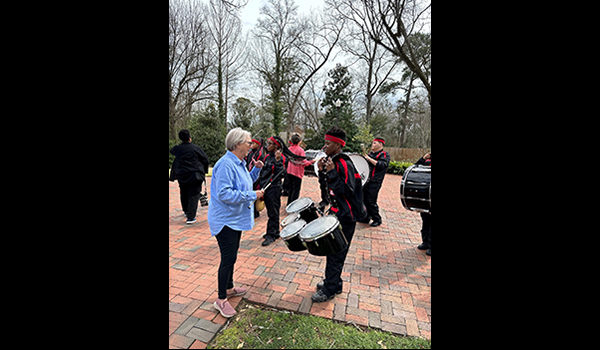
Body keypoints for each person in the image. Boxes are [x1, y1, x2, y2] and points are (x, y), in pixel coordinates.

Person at [208, 127, 265, 318]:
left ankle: (230, 288)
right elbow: (224, 194)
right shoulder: (225, 164)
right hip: (226, 221)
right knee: (228, 258)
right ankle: (221, 299)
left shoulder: (239, 162)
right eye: (249, 142)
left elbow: (246, 182)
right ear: (238, 143)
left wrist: (255, 170)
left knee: (232, 256)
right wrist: (253, 195)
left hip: (235, 219)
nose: (251, 146)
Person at [313, 126, 367, 302]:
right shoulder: (331, 161)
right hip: (337, 212)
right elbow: (328, 192)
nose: (324, 146)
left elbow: (347, 191)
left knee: (337, 252)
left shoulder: (344, 163)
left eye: (328, 143)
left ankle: (330, 289)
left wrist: (332, 173)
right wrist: (323, 173)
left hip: (347, 215)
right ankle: (334, 283)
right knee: (334, 250)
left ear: (338, 144)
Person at [169, 129, 210, 224]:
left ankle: (186, 211)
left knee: (183, 192)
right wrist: (204, 171)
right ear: (190, 138)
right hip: (195, 174)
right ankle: (191, 217)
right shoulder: (196, 148)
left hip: (182, 174)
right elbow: (205, 159)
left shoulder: (177, 149)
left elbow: (172, 151)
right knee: (194, 194)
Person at [256, 136, 287, 246]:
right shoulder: (267, 157)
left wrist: (278, 161)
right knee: (270, 211)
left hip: (274, 188)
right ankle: (275, 231)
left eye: (270, 144)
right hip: (266, 187)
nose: (267, 146)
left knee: (273, 212)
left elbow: (282, 174)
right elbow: (264, 172)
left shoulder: (280, 157)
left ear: (276, 146)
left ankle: (272, 234)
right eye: (267, 143)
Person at [361, 137, 390, 227]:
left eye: (375, 143)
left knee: (370, 201)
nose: (372, 145)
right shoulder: (370, 154)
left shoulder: (384, 154)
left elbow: (382, 165)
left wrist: (369, 159)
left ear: (381, 144)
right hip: (366, 180)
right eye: (372, 143)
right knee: (363, 199)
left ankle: (377, 219)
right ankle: (366, 217)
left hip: (375, 181)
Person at [286, 133, 316, 205]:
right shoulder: (300, 150)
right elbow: (304, 163)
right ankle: (293, 206)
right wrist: (312, 161)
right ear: (300, 141)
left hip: (289, 171)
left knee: (290, 189)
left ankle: (289, 204)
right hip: (297, 172)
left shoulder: (289, 149)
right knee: (296, 190)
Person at [415, 152, 431, 256]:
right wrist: (422, 158)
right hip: (426, 195)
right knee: (425, 219)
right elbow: (415, 169)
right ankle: (425, 242)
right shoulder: (427, 160)